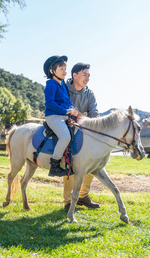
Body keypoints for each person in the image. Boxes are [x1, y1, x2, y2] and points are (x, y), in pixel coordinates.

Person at [63, 62, 101, 211]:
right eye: (85, 74)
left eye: (89, 75)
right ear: (75, 75)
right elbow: (63, 111)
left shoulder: (90, 94)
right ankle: (67, 201)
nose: (87, 78)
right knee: (70, 161)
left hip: (84, 130)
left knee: (93, 160)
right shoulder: (64, 89)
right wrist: (79, 116)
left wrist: (80, 117)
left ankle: (83, 196)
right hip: (65, 128)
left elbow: (95, 115)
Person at [43, 55, 79, 177]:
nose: (65, 71)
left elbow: (67, 102)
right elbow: (50, 103)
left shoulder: (62, 85)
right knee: (65, 137)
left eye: (65, 68)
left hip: (63, 116)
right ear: (52, 71)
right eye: (61, 68)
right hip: (53, 116)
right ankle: (55, 165)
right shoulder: (51, 84)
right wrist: (67, 111)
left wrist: (73, 110)